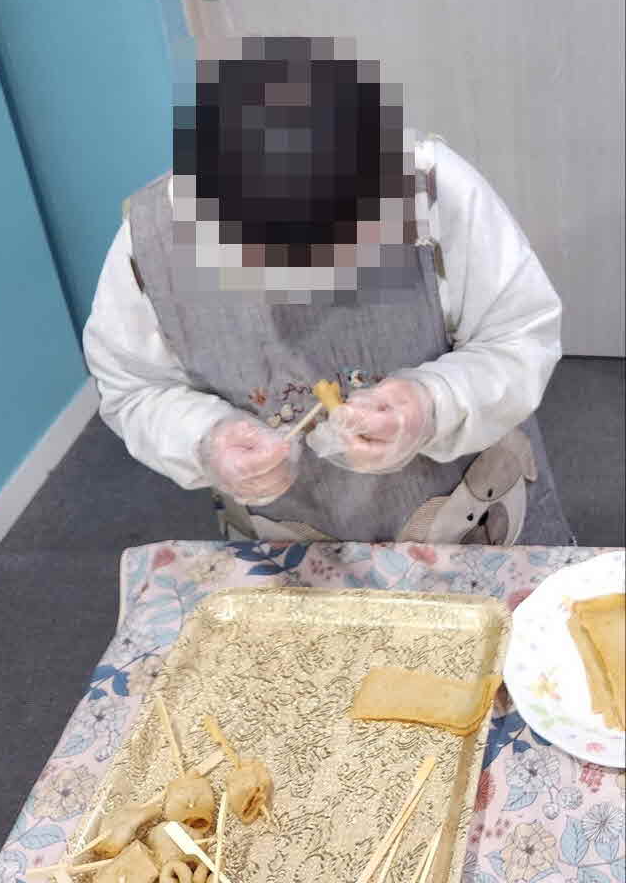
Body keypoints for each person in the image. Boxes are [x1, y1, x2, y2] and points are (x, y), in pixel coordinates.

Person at [83, 37, 571, 545]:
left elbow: (518, 337)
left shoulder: (432, 189)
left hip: (467, 515)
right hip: (288, 535)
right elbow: (135, 388)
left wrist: (431, 405)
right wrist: (207, 440)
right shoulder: (152, 243)